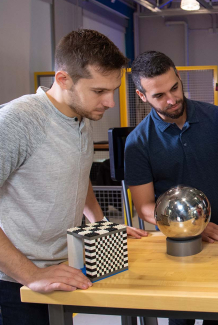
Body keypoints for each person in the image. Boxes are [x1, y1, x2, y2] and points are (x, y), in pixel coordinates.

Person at [0, 29, 147, 325]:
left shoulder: (78, 119)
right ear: (63, 79)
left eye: (112, 90)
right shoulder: (18, 121)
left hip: (60, 268)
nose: (110, 103)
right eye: (99, 91)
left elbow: (79, 177)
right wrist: (31, 275)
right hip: (14, 282)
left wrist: (101, 225)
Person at [124, 51, 218, 245]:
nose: (171, 100)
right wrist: (192, 225)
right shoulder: (138, 142)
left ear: (178, 76)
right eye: (160, 95)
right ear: (142, 96)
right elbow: (145, 207)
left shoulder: (216, 117)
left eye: (174, 88)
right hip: (176, 240)